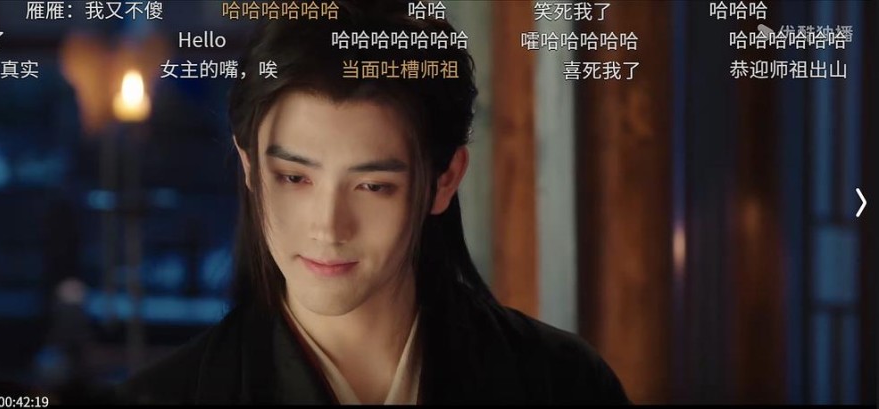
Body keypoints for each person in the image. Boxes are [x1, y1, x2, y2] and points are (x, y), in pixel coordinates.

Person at [116, 0, 630, 404]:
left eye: (373, 186)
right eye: (294, 177)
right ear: (250, 168)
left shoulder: (562, 382)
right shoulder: (167, 395)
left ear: (445, 180)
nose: (328, 227)